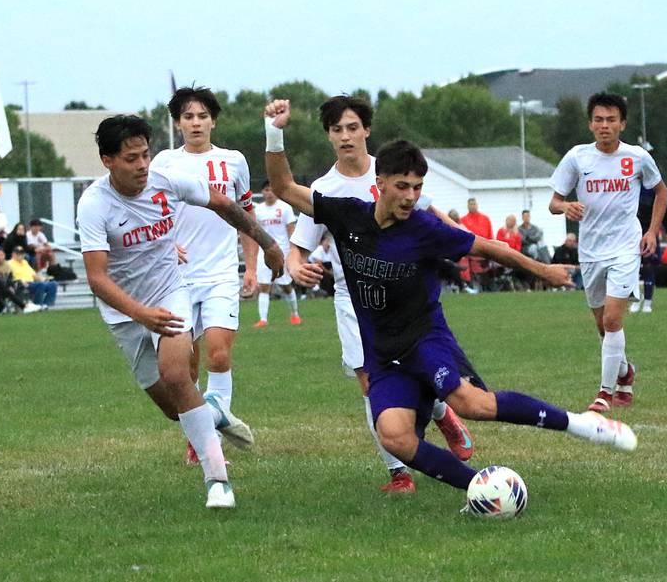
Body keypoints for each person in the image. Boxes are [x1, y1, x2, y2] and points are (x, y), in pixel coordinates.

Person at [264, 111, 637, 502]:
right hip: (383, 354)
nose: (410, 196)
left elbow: (487, 246)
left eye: (417, 187)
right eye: (402, 186)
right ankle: (481, 489)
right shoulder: (346, 215)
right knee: (394, 437)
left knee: (473, 404)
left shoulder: (424, 229)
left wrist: (541, 269)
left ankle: (582, 424)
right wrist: (274, 132)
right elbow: (284, 186)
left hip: (426, 340)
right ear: (380, 185)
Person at [77, 114, 283, 508]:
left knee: (177, 374)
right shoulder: (93, 205)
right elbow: (97, 278)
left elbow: (224, 203)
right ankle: (215, 414)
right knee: (176, 410)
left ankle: (217, 481)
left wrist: (268, 243)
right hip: (125, 314)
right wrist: (140, 314)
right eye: (131, 159)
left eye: (145, 155)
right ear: (107, 161)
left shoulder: (165, 181)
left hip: (170, 292)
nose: (142, 166)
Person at [283, 95, 474, 494]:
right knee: (370, 381)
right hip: (355, 301)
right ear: (328, 136)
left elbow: (433, 217)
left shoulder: (391, 171)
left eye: (353, 127)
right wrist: (295, 265)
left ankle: (442, 411)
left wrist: (470, 243)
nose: (345, 136)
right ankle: (399, 474)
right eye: (337, 130)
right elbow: (299, 245)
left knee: (418, 369)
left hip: (406, 297)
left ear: (367, 130)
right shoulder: (324, 188)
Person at [150, 86, 262, 466]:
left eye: (202, 116)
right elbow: (148, 211)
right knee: (186, 366)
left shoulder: (233, 161)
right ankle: (198, 434)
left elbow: (245, 216)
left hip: (220, 273)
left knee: (218, 352)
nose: (195, 123)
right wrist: (165, 246)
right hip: (176, 277)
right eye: (187, 117)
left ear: (213, 121)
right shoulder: (164, 163)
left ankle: (210, 441)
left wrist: (251, 265)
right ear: (178, 123)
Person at [549, 92, 667, 412]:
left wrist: (652, 231)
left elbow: (661, 191)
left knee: (614, 320)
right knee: (603, 326)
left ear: (622, 124)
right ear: (590, 124)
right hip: (590, 251)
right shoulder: (577, 158)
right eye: (599, 120)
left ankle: (604, 394)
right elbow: (553, 202)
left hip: (625, 248)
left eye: (611, 120)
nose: (605, 125)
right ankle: (625, 370)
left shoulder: (637, 157)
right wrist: (566, 206)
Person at [252, 180, 301, 327]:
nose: (269, 193)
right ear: (262, 192)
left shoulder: (284, 208)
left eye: (271, 190)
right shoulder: (258, 210)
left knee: (286, 285)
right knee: (264, 285)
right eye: (266, 190)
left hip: (283, 251)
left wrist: (293, 250)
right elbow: (254, 231)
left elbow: (291, 229)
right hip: (264, 252)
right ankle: (263, 319)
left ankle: (295, 314)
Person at [630, 187, 667, 313]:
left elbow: (664, 208)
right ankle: (636, 298)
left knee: (649, 266)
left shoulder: (653, 187)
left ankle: (648, 301)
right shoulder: (628, 184)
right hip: (631, 233)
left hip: (650, 232)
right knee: (632, 267)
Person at [0, 249, 41, 313]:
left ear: (4, 256)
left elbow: (10, 279)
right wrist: (9, 287)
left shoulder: (7, 266)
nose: (0, 257)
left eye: (1, 255)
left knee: (18, 284)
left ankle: (20, 307)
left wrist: (11, 286)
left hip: (2, 289)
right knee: (4, 290)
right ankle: (24, 306)